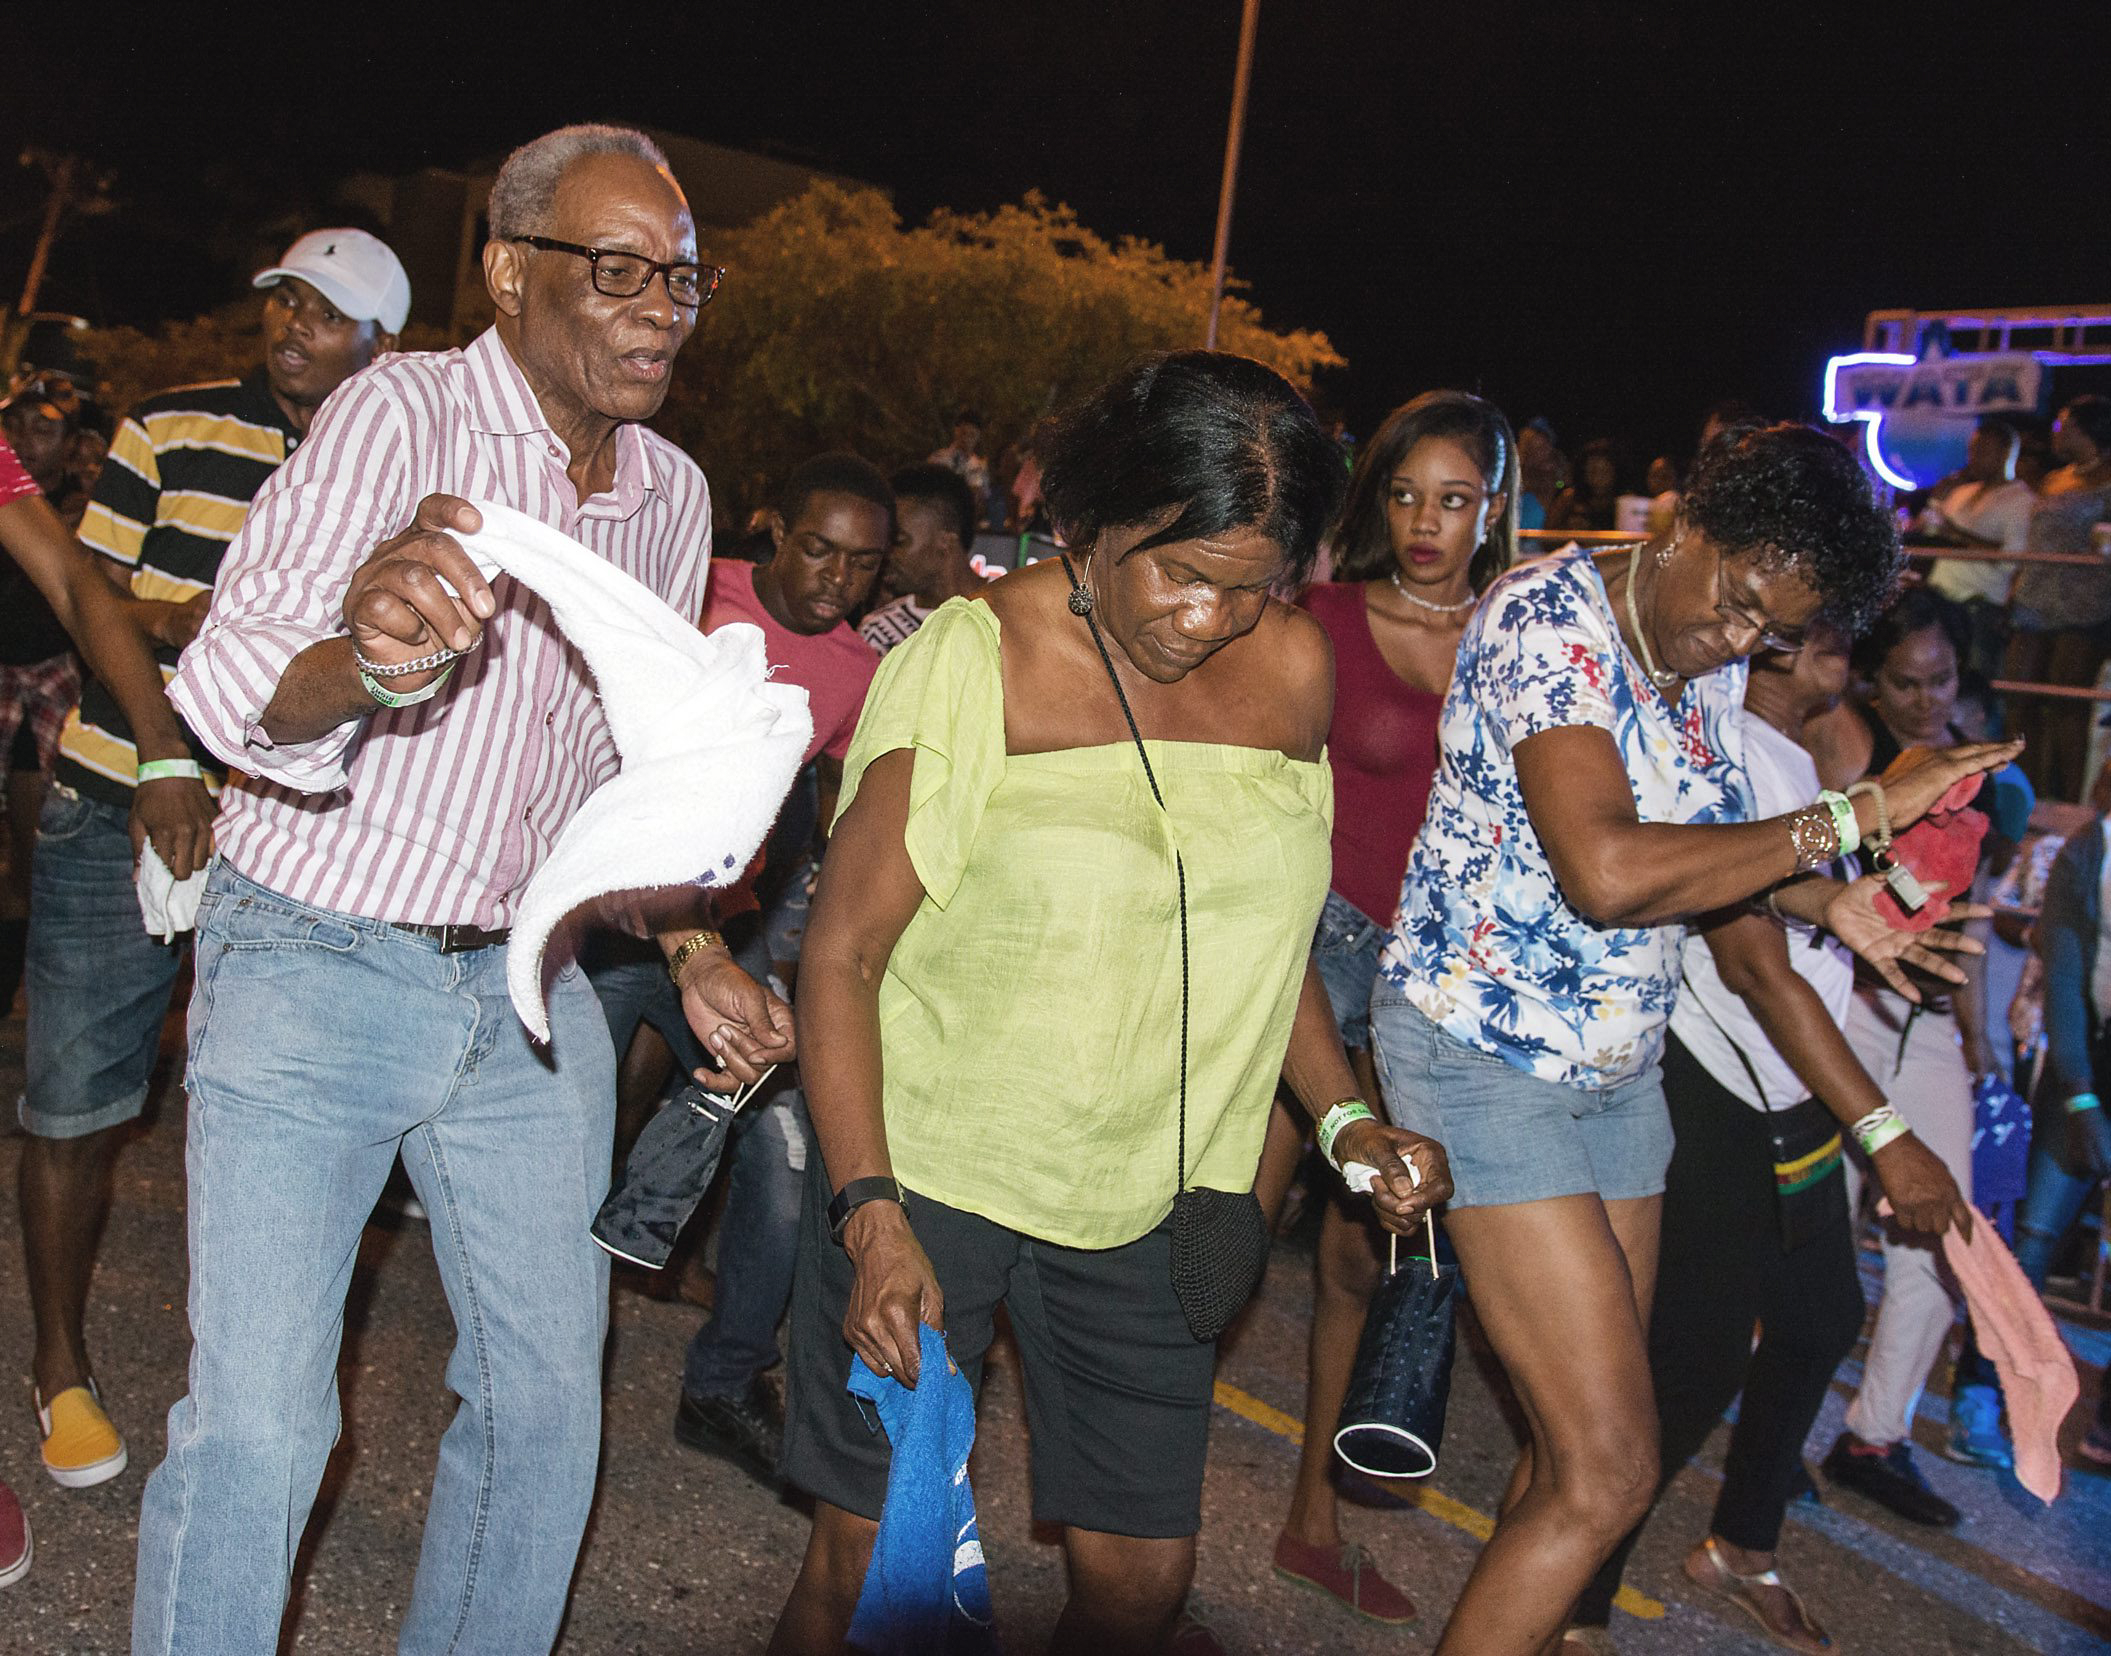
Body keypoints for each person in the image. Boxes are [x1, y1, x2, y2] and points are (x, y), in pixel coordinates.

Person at [136, 125, 792, 1654]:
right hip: (313, 958)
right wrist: (369, 660)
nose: (660, 308)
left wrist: (691, 944)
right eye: (617, 270)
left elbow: (628, 773)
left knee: (544, 1411)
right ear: (507, 273)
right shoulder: (399, 414)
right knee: (261, 1431)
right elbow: (233, 680)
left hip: (526, 997)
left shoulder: (672, 494)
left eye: (681, 279)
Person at [767, 352, 1452, 1656]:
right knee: (869, 1570)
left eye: (1248, 586)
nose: (1205, 618)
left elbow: (1263, 947)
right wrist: (869, 1217)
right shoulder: (978, 659)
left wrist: (1345, 1122)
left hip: (1152, 1197)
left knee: (1138, 1591)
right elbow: (842, 955)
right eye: (1176, 571)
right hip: (931, 1178)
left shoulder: (1291, 671)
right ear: (1093, 523)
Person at [1368, 423, 2016, 1654]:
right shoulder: (1545, 619)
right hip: (1481, 1051)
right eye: (1733, 600)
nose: (1733, 640)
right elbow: (1608, 869)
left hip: (1620, 1065)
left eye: (1767, 632)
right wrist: (1848, 817)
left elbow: (1710, 859)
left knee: (1570, 1451)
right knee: (1613, 1468)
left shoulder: (1705, 661)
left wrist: (1825, 903)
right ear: (1687, 524)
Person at [16, 228, 410, 1494]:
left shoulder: (408, 472)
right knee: (77, 1098)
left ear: (381, 345)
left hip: (297, 830)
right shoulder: (169, 429)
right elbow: (91, 597)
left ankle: (252, 1388)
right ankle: (58, 1367)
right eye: (283, 299)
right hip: (117, 794)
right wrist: (189, 645)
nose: (293, 324)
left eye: (326, 312)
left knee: (278, 1114)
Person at [1565, 622, 1969, 1654]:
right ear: (1780, 645)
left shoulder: (1801, 754)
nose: (1847, 651)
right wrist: (1887, 1135)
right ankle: (1575, 1602)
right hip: (1719, 1082)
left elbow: (1820, 917)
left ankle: (1740, 1547)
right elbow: (1754, 967)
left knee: (1819, 1316)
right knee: (1690, 1365)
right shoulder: (1729, 751)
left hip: (1792, 1089)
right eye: (1829, 632)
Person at [1250, 389, 1518, 1625]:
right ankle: (1132, 1547)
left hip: (1427, 978)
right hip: (1315, 948)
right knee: (1226, 1240)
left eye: (1452, 500)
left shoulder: (1518, 639)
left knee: (1360, 1261)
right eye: (1404, 495)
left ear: (1491, 509)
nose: (1424, 522)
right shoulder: (1325, 618)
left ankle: (1311, 1524)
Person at [665, 452, 888, 1479]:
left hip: (736, 927)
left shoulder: (855, 671)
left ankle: (721, 1386)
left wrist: (809, 951)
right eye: (817, 550)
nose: (836, 579)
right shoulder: (692, 585)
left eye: (861, 563)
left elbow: (835, 814)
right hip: (608, 911)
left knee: (784, 1161)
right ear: (771, 529)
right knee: (589, 1135)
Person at [1816, 590, 2034, 1509]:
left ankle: (1874, 1438)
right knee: (1817, 1238)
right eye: (1903, 681)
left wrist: (1979, 1042)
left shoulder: (1985, 776)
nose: (1923, 699)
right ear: (1874, 679)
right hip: (1842, 1012)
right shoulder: (1842, 743)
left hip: (1929, 1027)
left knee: (1943, 1235)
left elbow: (1968, 917)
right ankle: (1769, 1434)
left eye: (1939, 680)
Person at [2013, 758, 2111, 1466]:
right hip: (2090, 1054)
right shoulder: (2089, 852)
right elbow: (2067, 977)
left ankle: (2103, 1425)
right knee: (2036, 1233)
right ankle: (1991, 1390)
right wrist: (2079, 1094)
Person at [0, 376, 84, 1016]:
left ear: (72, 443)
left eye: (45, 429)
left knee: (32, 854)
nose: (27, 442)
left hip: (54, 688)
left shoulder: (88, 514)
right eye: (16, 426)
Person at [2003, 395, 2111, 801]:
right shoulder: (2055, 477)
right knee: (2020, 697)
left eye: (2063, 424)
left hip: (2083, 604)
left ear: (2086, 430)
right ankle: (2024, 792)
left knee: (2068, 705)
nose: (2055, 432)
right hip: (2035, 597)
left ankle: (2068, 799)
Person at [1919, 416, 2034, 697]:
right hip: (1940, 598)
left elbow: (2011, 558)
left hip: (1980, 605)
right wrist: (1935, 500)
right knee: (1937, 678)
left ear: (2006, 453)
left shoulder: (2021, 501)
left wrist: (1956, 534)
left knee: (1976, 686)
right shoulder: (1960, 492)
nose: (1973, 457)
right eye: (1972, 449)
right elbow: (1930, 529)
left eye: (1983, 450)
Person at [861, 462, 987, 656]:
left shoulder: (1012, 609)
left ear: (945, 542)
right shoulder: (879, 633)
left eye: (898, 541)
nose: (887, 554)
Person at [929, 407, 993, 521]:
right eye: (964, 433)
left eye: (972, 435)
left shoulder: (979, 467)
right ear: (956, 431)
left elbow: (983, 501)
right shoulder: (939, 459)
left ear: (978, 437)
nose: (967, 439)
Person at [1547, 437, 1622, 533]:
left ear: (1615, 472)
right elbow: (1547, 535)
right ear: (1584, 471)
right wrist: (1568, 529)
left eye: (1604, 472)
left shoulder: (1624, 501)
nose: (1598, 478)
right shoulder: (1569, 498)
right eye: (1593, 471)